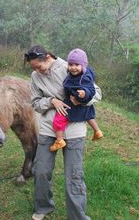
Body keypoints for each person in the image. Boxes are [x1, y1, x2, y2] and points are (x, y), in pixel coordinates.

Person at [25, 45, 93, 220]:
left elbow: (96, 92)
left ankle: (77, 216)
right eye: (33, 68)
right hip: (49, 129)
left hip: (74, 130)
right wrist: (51, 101)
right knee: (41, 170)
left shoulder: (70, 66)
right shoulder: (35, 77)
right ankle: (43, 207)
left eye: (38, 66)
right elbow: (35, 103)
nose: (36, 70)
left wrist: (81, 99)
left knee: (74, 175)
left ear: (47, 57)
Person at [50, 48, 103, 152]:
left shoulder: (84, 77)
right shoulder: (78, 74)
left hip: (72, 103)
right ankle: (97, 131)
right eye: (70, 65)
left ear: (83, 65)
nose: (73, 68)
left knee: (58, 119)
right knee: (88, 115)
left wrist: (84, 93)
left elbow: (90, 88)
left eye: (77, 65)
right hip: (81, 103)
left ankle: (59, 140)